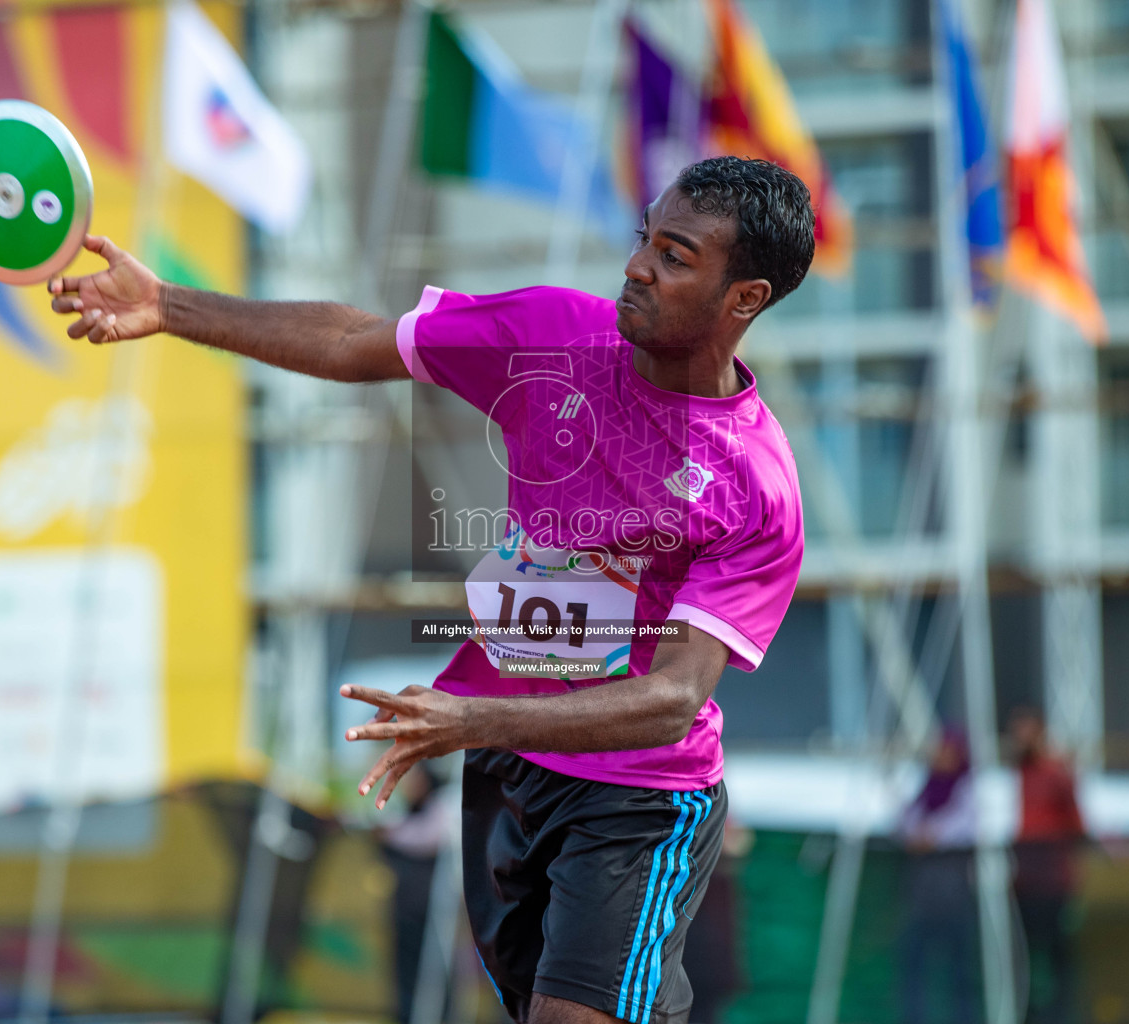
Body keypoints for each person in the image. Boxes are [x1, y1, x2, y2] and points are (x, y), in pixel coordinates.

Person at [49, 155, 811, 1024]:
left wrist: (470, 718)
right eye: (646, 238)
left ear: (743, 298)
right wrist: (167, 306)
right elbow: (349, 342)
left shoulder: (756, 485)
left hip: (641, 795)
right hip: (510, 776)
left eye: (675, 256)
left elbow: (673, 699)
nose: (638, 265)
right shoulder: (552, 335)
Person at [1008, 707, 1086, 1024]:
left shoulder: (1055, 773)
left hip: (1051, 879)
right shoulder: (1017, 773)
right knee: (1023, 958)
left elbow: (1076, 824)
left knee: (1056, 957)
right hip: (1023, 879)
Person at [897, 728, 979, 1024]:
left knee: (959, 968)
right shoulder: (924, 791)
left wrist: (928, 837)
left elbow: (954, 829)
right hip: (923, 895)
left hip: (953, 893)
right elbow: (907, 826)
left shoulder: (967, 790)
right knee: (915, 965)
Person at [379, 763, 452, 1024]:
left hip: (431, 914)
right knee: (406, 981)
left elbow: (432, 836)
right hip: (408, 912)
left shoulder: (443, 804)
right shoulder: (407, 810)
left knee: (432, 981)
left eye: (413, 777)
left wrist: (390, 834)